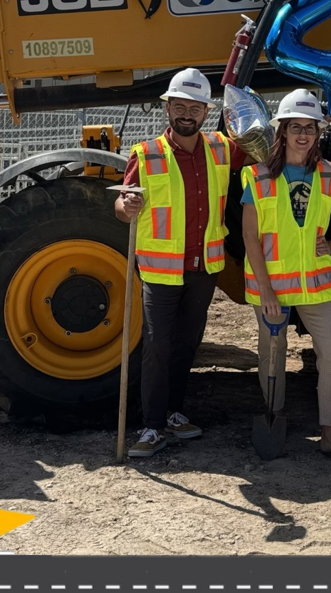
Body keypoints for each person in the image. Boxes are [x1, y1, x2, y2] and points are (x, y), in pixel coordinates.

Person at [115, 68, 248, 457]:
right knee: (157, 345)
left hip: (204, 267)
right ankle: (152, 426)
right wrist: (127, 205)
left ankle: (174, 413)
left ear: (206, 112)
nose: (187, 113)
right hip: (160, 270)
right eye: (180, 106)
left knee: (187, 344)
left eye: (195, 107)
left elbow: (262, 149)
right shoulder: (146, 153)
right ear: (168, 108)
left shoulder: (222, 149)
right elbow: (121, 206)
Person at [240, 89, 331, 466]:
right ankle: (273, 418)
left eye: (310, 128)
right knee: (271, 357)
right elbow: (250, 235)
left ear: (318, 133)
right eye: (295, 127)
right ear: (282, 131)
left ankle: (330, 434)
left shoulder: (330, 174)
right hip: (273, 286)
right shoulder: (259, 174)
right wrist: (265, 289)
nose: (303, 135)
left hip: (317, 284)